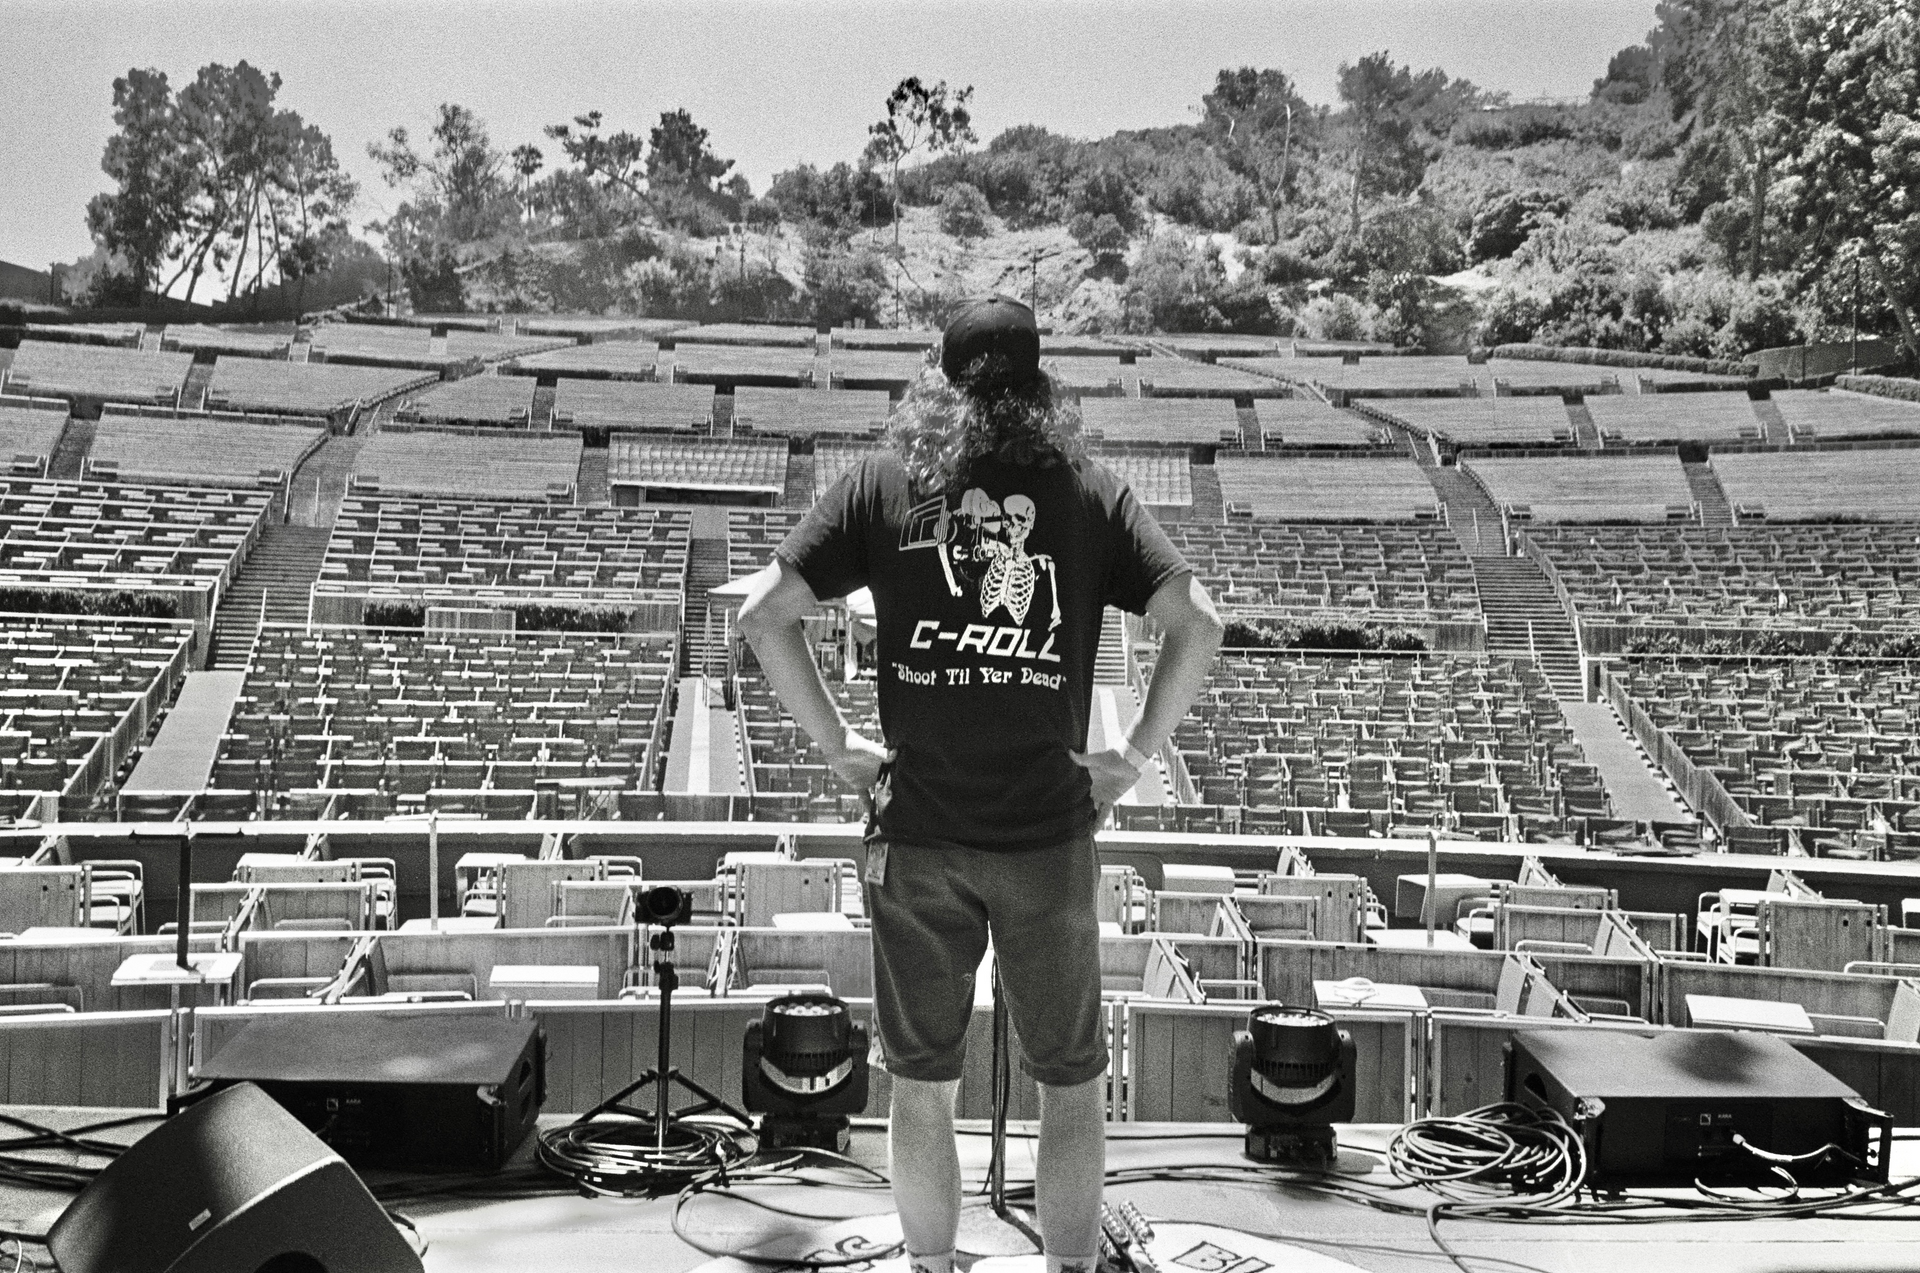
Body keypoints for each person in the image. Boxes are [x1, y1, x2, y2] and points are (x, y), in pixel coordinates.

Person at [737, 296, 1223, 1273]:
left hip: (915, 838)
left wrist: (839, 746)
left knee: (921, 1086)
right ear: (1040, 386)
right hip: (1049, 840)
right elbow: (1199, 621)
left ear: (941, 383)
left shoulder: (880, 479)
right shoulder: (1088, 488)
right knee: (1072, 1084)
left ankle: (928, 1265)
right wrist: (1132, 754)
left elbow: (761, 614)